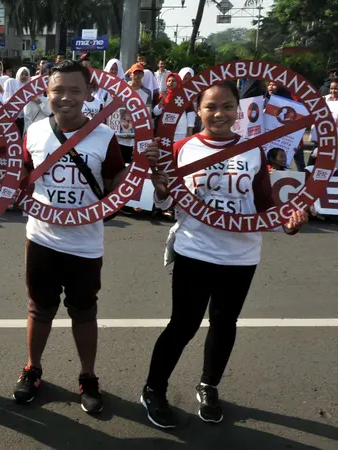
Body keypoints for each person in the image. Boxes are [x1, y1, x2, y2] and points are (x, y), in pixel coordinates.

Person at [0, 60, 159, 412]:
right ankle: (32, 369)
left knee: (84, 311)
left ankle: (88, 377)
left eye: (74, 90)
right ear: (46, 93)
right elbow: (21, 176)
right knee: (39, 309)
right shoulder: (34, 131)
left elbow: (115, 182)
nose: (65, 97)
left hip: (85, 241)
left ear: (89, 94)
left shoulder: (104, 136)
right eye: (57, 90)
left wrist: (139, 167)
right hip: (42, 237)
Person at [143, 81, 308, 430]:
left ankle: (209, 385)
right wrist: (160, 189)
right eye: (211, 107)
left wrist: (289, 223)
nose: (219, 114)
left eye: (228, 106)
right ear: (197, 111)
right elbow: (166, 201)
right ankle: (153, 390)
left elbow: (263, 204)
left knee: (224, 324)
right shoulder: (182, 148)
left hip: (241, 254)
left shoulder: (253, 150)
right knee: (183, 325)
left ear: (239, 109)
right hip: (195, 250)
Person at [153, 74, 195, 142]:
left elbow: (191, 113)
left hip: (181, 133)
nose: (170, 83)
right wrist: (162, 100)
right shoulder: (162, 95)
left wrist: (190, 131)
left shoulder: (185, 96)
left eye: (173, 81)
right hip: (165, 133)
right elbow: (156, 112)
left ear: (178, 82)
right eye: (169, 81)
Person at [24, 65, 52, 131]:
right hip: (31, 132)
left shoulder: (46, 99)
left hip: (44, 131)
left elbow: (49, 113)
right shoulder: (28, 100)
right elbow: (27, 119)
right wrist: (27, 132)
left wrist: (39, 102)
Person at [4, 67, 31, 134]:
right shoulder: (11, 83)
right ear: (18, 74)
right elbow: (4, 100)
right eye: (22, 74)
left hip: (24, 118)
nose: (24, 76)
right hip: (11, 117)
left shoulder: (30, 88)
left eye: (26, 74)